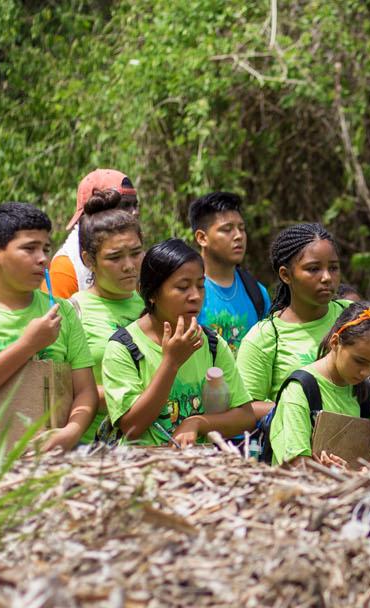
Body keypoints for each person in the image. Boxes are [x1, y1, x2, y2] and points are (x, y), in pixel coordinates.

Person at [0, 203, 98, 454]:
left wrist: (71, 432)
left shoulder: (63, 311)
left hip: (50, 447)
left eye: (45, 248)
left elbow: (85, 391)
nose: (43, 258)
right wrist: (28, 345)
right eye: (29, 249)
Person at [100, 239, 257, 446]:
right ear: (152, 293)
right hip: (140, 469)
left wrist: (197, 422)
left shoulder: (212, 344)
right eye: (183, 287)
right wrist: (171, 362)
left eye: (200, 286)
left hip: (198, 469)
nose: (195, 296)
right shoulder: (123, 348)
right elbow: (132, 428)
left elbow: (245, 416)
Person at [236, 223, 352, 413]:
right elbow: (246, 409)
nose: (327, 277)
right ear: (286, 275)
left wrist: (357, 393)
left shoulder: (353, 316)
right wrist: (300, 408)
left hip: (356, 441)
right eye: (313, 269)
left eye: (333, 268)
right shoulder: (265, 337)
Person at [269, 302, 370, 467]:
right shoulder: (299, 390)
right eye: (359, 361)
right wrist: (338, 473)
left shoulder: (364, 394)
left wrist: (367, 471)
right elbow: (297, 464)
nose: (366, 373)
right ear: (335, 342)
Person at [67, 189, 145, 442]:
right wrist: (140, 397)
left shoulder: (152, 304)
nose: (129, 265)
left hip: (152, 445)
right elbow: (63, 391)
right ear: (88, 260)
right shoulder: (73, 312)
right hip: (92, 449)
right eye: (115, 257)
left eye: (135, 253)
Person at [188, 192, 270, 348]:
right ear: (202, 238)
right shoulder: (187, 292)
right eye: (227, 229)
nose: (238, 236)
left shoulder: (258, 293)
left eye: (242, 228)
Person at [47, 169, 138, 300]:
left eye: (135, 205)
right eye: (125, 205)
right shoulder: (66, 266)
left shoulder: (136, 255)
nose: (134, 212)